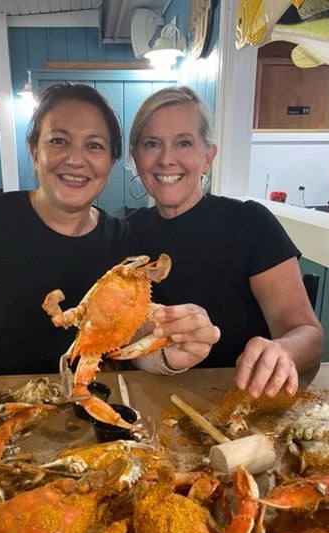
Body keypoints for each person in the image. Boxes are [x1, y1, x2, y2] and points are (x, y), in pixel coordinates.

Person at [0, 83, 219, 385]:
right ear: (33, 150)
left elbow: (135, 340)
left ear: (111, 161)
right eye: (59, 141)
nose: (76, 159)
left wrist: (170, 355)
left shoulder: (123, 244)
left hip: (74, 418)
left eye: (94, 145)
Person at [126, 85, 324, 399]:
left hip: (246, 403)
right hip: (153, 406)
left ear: (208, 157)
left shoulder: (249, 222)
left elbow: (308, 335)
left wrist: (282, 350)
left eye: (184, 143)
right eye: (152, 144)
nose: (167, 159)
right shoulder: (124, 235)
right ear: (136, 156)